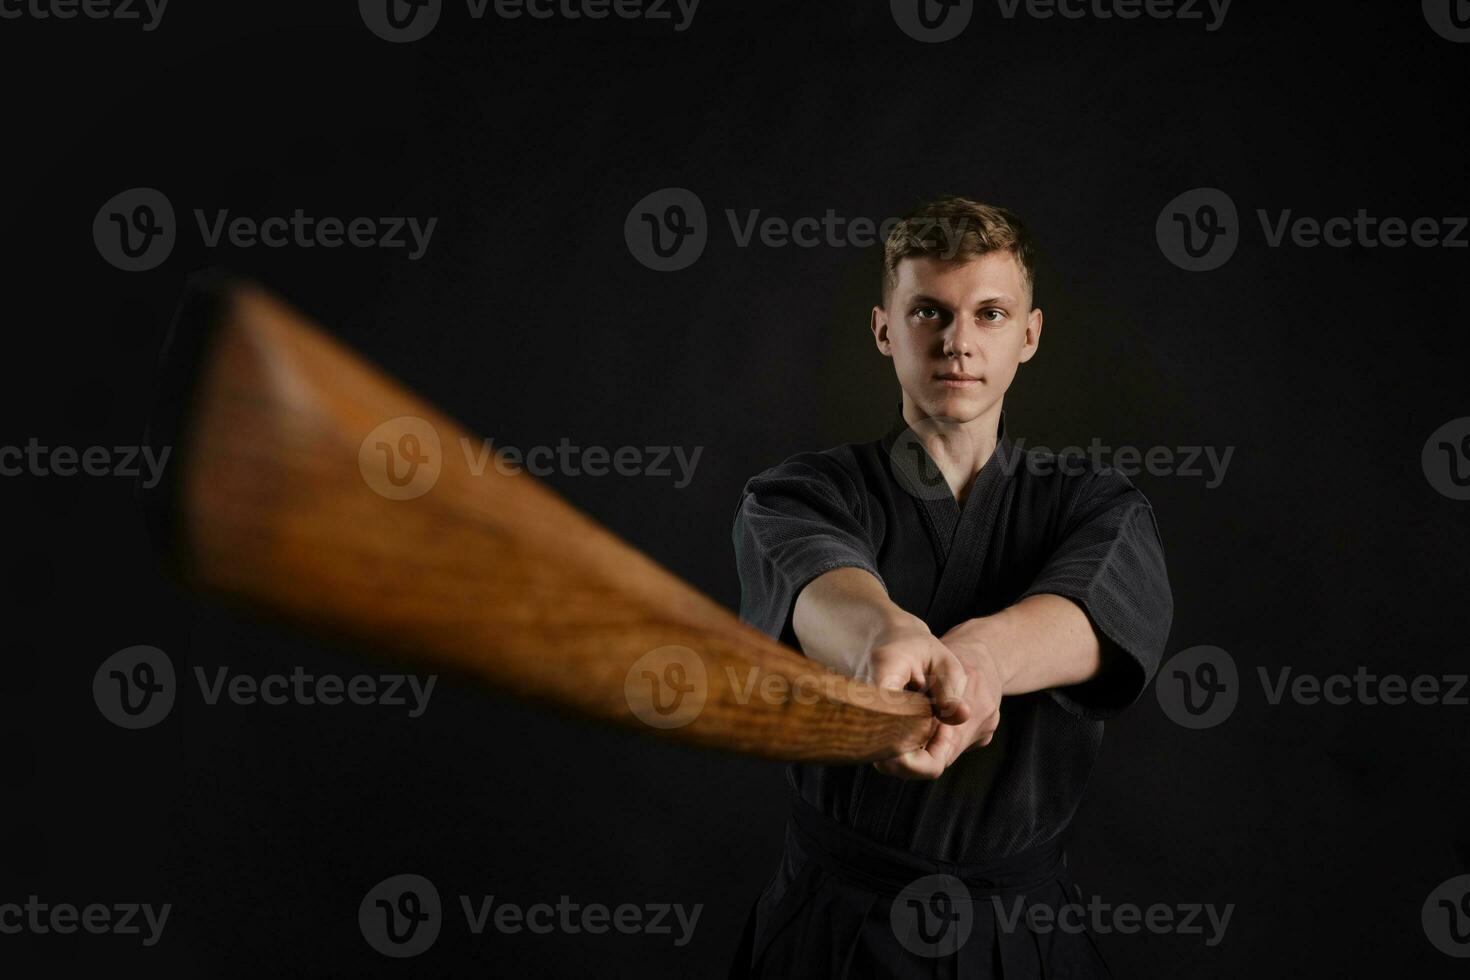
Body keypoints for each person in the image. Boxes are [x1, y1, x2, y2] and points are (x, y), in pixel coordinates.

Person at [727, 196, 1174, 977]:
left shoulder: (1096, 506)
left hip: (1021, 933)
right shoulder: (799, 494)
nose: (959, 343)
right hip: (836, 930)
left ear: (1030, 334)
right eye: (929, 312)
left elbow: (1086, 614)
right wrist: (885, 638)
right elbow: (824, 586)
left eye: (991, 314)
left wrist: (984, 661)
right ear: (883, 329)